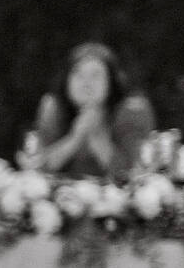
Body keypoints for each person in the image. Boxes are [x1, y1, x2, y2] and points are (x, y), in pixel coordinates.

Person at [34, 41, 155, 180]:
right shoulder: (53, 108)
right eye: (78, 74)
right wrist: (75, 138)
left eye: (95, 75)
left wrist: (96, 137)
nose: (86, 83)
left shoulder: (132, 110)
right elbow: (37, 169)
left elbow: (132, 173)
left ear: (111, 82)